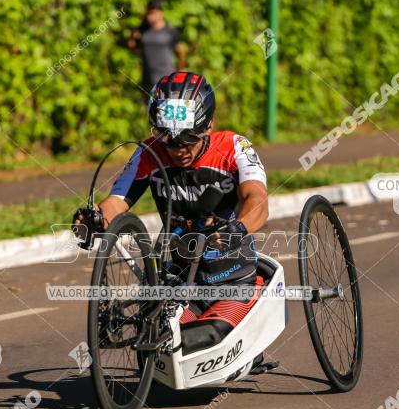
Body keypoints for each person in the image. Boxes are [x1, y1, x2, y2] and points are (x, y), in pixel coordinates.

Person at [73, 71, 270, 355]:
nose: (179, 149)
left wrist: (235, 230)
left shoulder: (235, 147)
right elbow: (116, 202)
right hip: (179, 280)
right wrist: (94, 220)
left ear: (209, 125)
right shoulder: (149, 153)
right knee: (164, 342)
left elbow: (258, 201)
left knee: (202, 339)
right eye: (168, 138)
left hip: (231, 279)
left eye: (189, 138)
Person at [128, 0, 186, 95]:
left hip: (167, 80)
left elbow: (180, 51)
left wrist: (180, 69)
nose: (152, 16)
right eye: (149, 13)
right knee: (150, 108)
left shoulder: (170, 31)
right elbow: (133, 48)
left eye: (154, 13)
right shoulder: (143, 30)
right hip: (148, 80)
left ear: (161, 13)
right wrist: (132, 37)